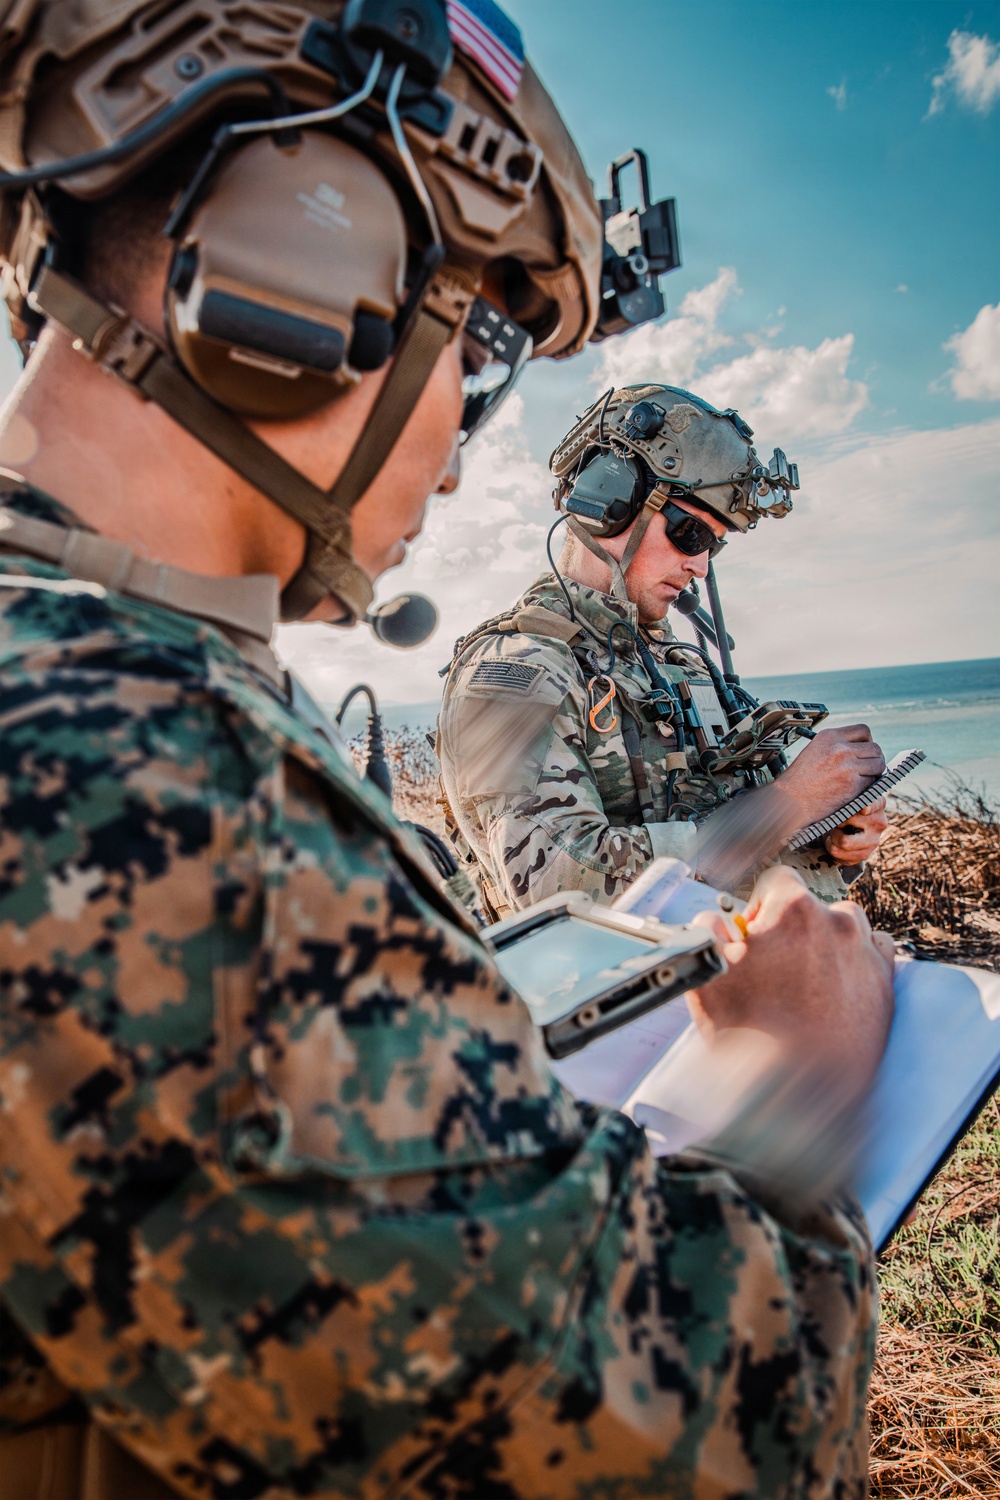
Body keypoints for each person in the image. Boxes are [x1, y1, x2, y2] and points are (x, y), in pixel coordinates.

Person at [0, 5, 892, 1496]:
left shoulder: (124, 697)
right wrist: (795, 1090)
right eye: (476, 351)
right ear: (302, 272)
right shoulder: (135, 786)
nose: (463, 446)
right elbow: (677, 1437)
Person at [438, 384, 890, 918]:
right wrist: (788, 804)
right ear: (609, 500)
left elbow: (740, 827)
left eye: (713, 545)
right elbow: (555, 889)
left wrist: (833, 838)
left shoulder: (676, 664)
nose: (701, 566)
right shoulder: (513, 670)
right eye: (691, 533)